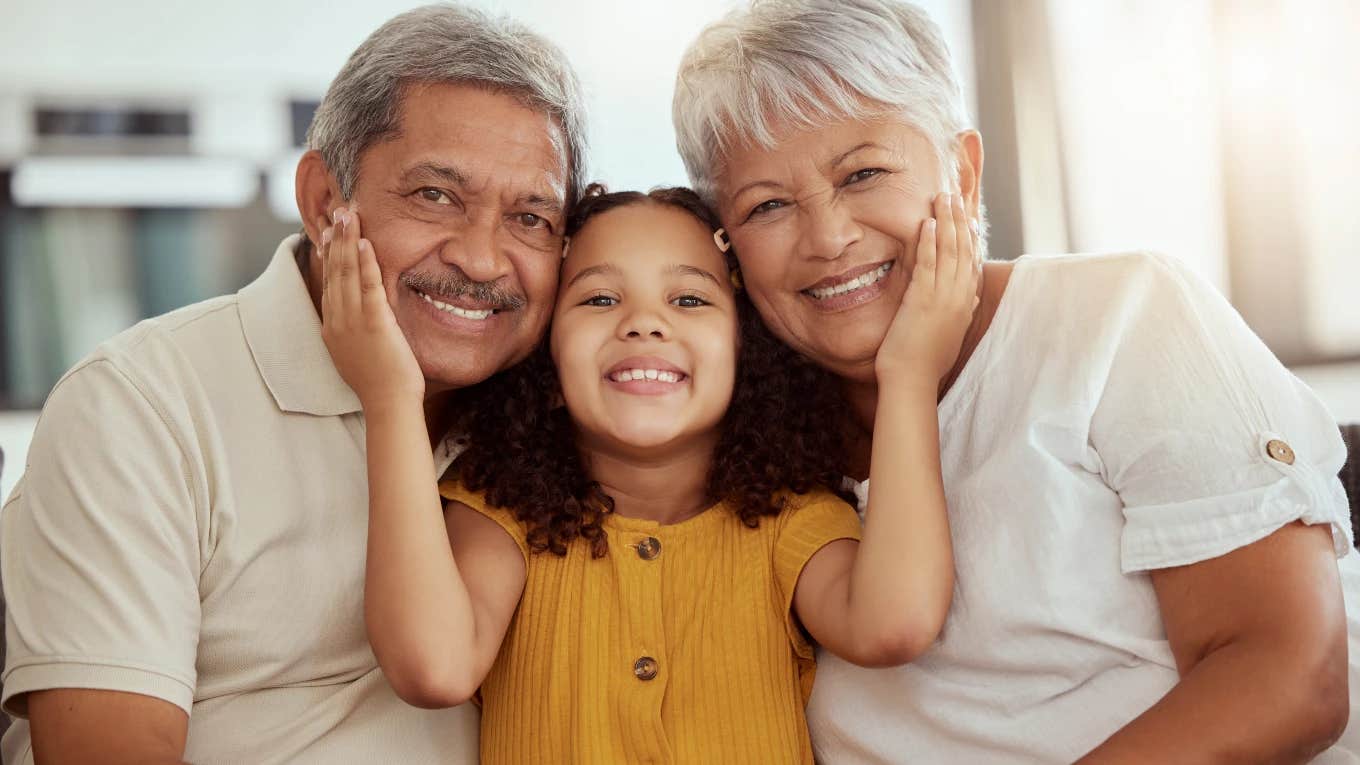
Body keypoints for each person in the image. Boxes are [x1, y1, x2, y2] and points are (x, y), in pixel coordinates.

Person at [673, 0, 1360, 762]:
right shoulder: (742, 446)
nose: (830, 238)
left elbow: (1292, 680)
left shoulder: (1120, 313)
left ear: (962, 174)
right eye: (768, 205)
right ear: (728, 245)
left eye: (863, 173)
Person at [0, 5, 585, 764]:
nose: (481, 258)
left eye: (531, 216)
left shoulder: (563, 420)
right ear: (322, 203)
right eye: (436, 195)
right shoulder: (139, 406)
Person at [315, 183, 977, 763]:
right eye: (600, 298)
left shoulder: (789, 520)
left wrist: (910, 375)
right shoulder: (502, 513)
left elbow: (893, 623)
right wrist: (390, 397)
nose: (644, 324)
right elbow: (433, 667)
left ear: (746, 354)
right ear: (547, 363)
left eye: (689, 299)